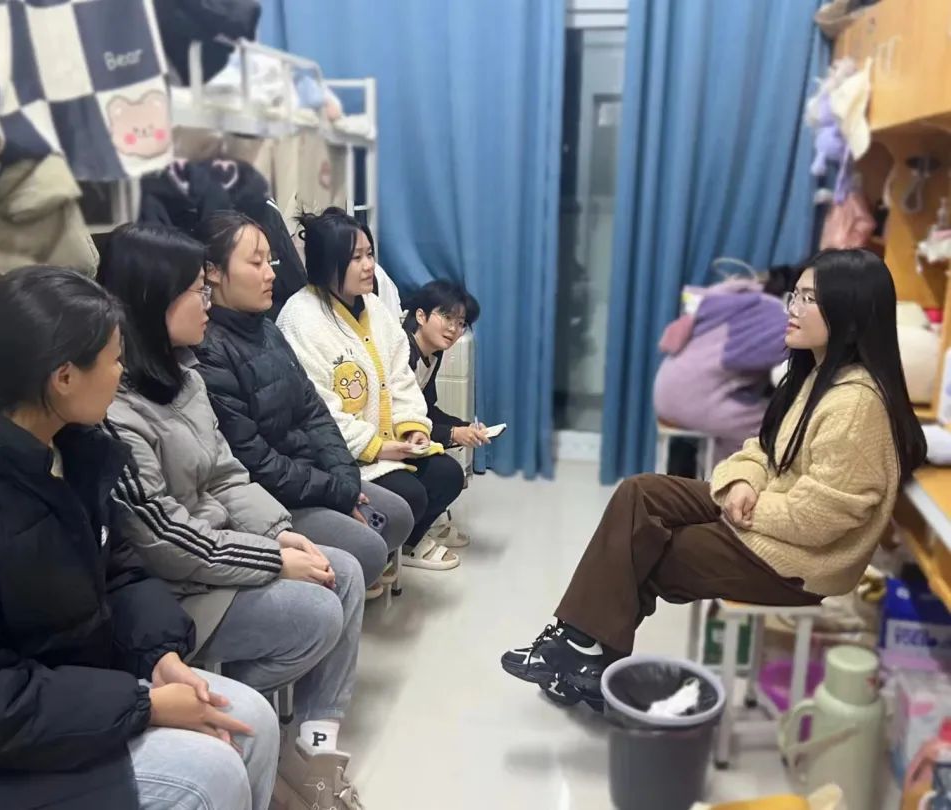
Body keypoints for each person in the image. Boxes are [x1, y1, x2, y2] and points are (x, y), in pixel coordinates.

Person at [0, 266, 279, 810]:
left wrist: (157, 655)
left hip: (60, 692)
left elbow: (118, 568)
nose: (122, 372)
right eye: (114, 359)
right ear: (63, 377)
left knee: (251, 721)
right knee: (209, 772)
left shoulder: (71, 447)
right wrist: (142, 706)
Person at [501, 249, 927, 708]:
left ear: (851, 313)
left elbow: (821, 518)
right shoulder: (817, 375)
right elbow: (762, 448)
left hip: (800, 563)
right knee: (641, 494)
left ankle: (581, 654)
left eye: (810, 299)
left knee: (651, 550)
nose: (793, 308)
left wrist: (750, 507)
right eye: (796, 295)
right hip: (769, 514)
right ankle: (582, 652)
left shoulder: (855, 404)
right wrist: (741, 483)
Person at [97, 223, 365, 809]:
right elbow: (165, 538)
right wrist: (273, 560)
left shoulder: (185, 375)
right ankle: (246, 723)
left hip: (222, 550)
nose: (207, 302)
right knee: (319, 609)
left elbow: (228, 474)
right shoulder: (114, 409)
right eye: (196, 289)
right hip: (180, 584)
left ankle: (315, 748)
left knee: (341, 572)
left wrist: (283, 535)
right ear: (151, 300)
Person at [193, 211, 413, 598]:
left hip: (313, 474)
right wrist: (333, 491)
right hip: (274, 495)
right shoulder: (210, 350)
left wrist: (344, 481)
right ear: (212, 272)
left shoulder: (266, 329)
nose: (271, 274)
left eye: (271, 261)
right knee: (368, 548)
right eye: (256, 263)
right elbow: (253, 460)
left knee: (398, 516)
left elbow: (315, 411)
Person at [277, 208, 465, 571]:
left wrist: (412, 428)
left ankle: (404, 548)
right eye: (356, 258)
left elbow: (400, 376)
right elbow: (317, 410)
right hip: (343, 455)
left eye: (370, 254)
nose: (368, 266)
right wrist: (376, 447)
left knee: (447, 475)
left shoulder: (375, 308)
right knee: (411, 494)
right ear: (327, 262)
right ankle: (376, 559)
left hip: (390, 444)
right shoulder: (300, 318)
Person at [403, 280, 487, 549]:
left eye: (460, 323)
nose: (453, 328)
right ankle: (409, 544)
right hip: (390, 439)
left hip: (410, 434)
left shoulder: (432, 354)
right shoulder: (402, 352)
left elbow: (426, 410)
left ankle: (420, 533)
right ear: (420, 316)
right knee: (448, 474)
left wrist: (465, 428)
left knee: (448, 469)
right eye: (447, 317)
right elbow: (398, 417)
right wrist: (453, 434)